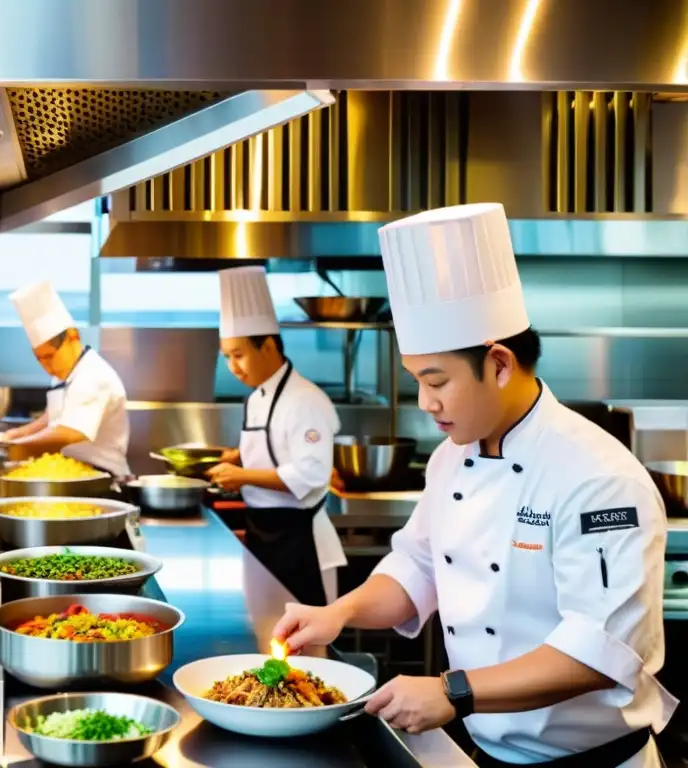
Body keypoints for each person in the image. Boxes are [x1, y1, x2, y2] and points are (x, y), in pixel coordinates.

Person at [274, 204, 677, 767]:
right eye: (417, 380)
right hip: (486, 752)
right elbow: (416, 568)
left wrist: (451, 691)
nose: (425, 402)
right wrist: (337, 613)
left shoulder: (598, 478)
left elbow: (599, 653)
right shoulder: (451, 457)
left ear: (501, 363)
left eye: (436, 381)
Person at [206, 266, 346, 607]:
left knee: (307, 643)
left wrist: (241, 476)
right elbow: (275, 446)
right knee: (266, 632)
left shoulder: (305, 400)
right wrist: (236, 458)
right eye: (226, 357)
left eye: (238, 355)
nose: (233, 367)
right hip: (262, 533)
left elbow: (311, 473)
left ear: (268, 345)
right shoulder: (257, 396)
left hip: (299, 542)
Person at [1, 280, 130, 477]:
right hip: (69, 471)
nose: (47, 366)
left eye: (50, 356)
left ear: (72, 336)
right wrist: (19, 433)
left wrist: (19, 446)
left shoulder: (93, 375)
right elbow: (52, 417)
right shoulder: (66, 372)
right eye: (40, 359)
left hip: (102, 477)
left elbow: (69, 431)